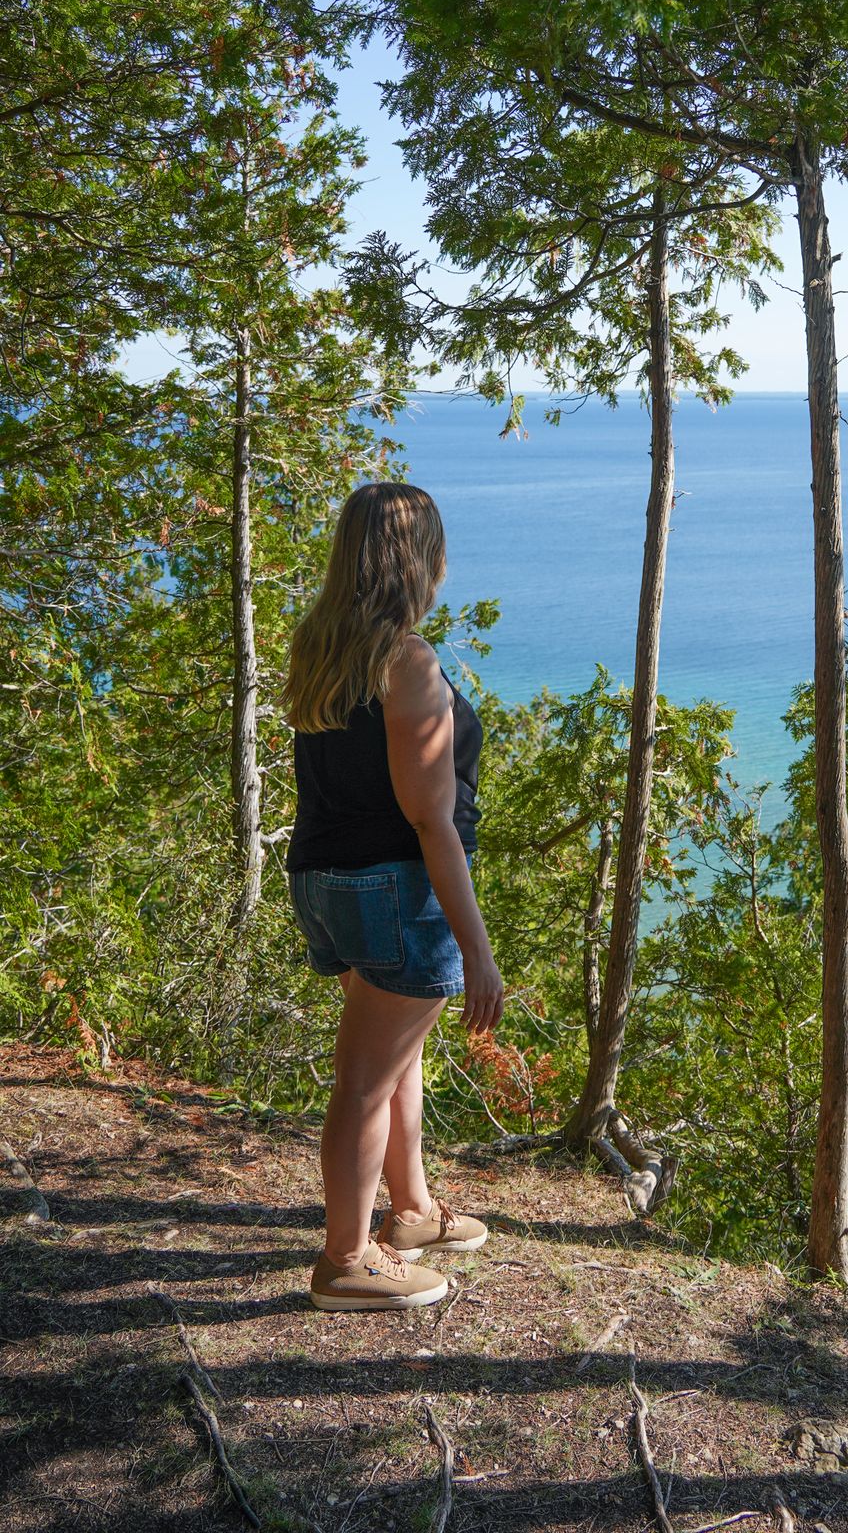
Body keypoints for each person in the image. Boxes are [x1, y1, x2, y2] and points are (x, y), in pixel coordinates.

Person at [281, 481, 504, 1311]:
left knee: (392, 1057)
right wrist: (476, 951)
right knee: (367, 1080)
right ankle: (346, 1258)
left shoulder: (321, 644)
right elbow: (430, 818)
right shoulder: (406, 660)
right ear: (418, 561)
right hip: (394, 889)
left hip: (324, 881)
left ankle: (410, 1212)